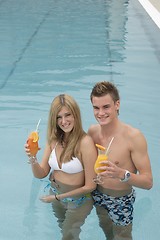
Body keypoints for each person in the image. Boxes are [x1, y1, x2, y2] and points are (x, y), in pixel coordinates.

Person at [25, 94, 97, 240]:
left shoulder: (85, 142)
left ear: (75, 114)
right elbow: (41, 174)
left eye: (67, 115)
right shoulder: (54, 140)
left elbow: (91, 186)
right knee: (66, 234)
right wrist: (32, 157)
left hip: (78, 200)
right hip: (56, 195)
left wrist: (57, 197)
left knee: (67, 236)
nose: (64, 121)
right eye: (59, 117)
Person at [88, 81, 153, 240]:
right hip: (97, 195)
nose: (100, 113)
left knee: (123, 237)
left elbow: (148, 182)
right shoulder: (92, 132)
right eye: (96, 108)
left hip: (121, 199)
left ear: (117, 105)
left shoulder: (133, 137)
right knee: (107, 232)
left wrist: (121, 174)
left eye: (106, 107)